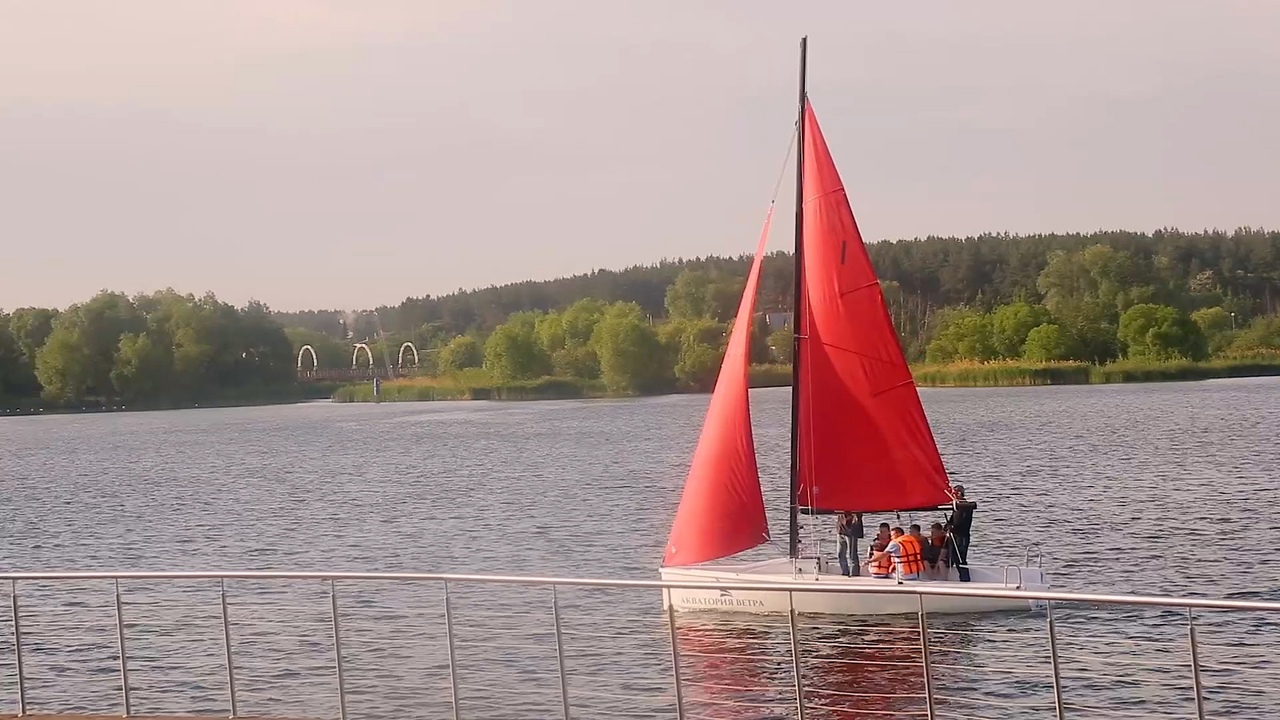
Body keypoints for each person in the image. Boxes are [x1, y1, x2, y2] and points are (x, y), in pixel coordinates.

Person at [946, 485, 977, 582]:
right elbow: (952, 520)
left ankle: (965, 578)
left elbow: (960, 522)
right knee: (952, 555)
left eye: (954, 493)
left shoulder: (964, 506)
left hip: (961, 537)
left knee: (960, 558)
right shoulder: (957, 506)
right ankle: (946, 575)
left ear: (959, 493)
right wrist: (947, 527)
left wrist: (951, 527)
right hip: (955, 536)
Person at [836, 512, 864, 576]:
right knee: (840, 553)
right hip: (841, 529)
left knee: (852, 554)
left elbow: (859, 514)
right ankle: (845, 572)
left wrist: (853, 517)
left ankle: (854, 573)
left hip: (851, 530)